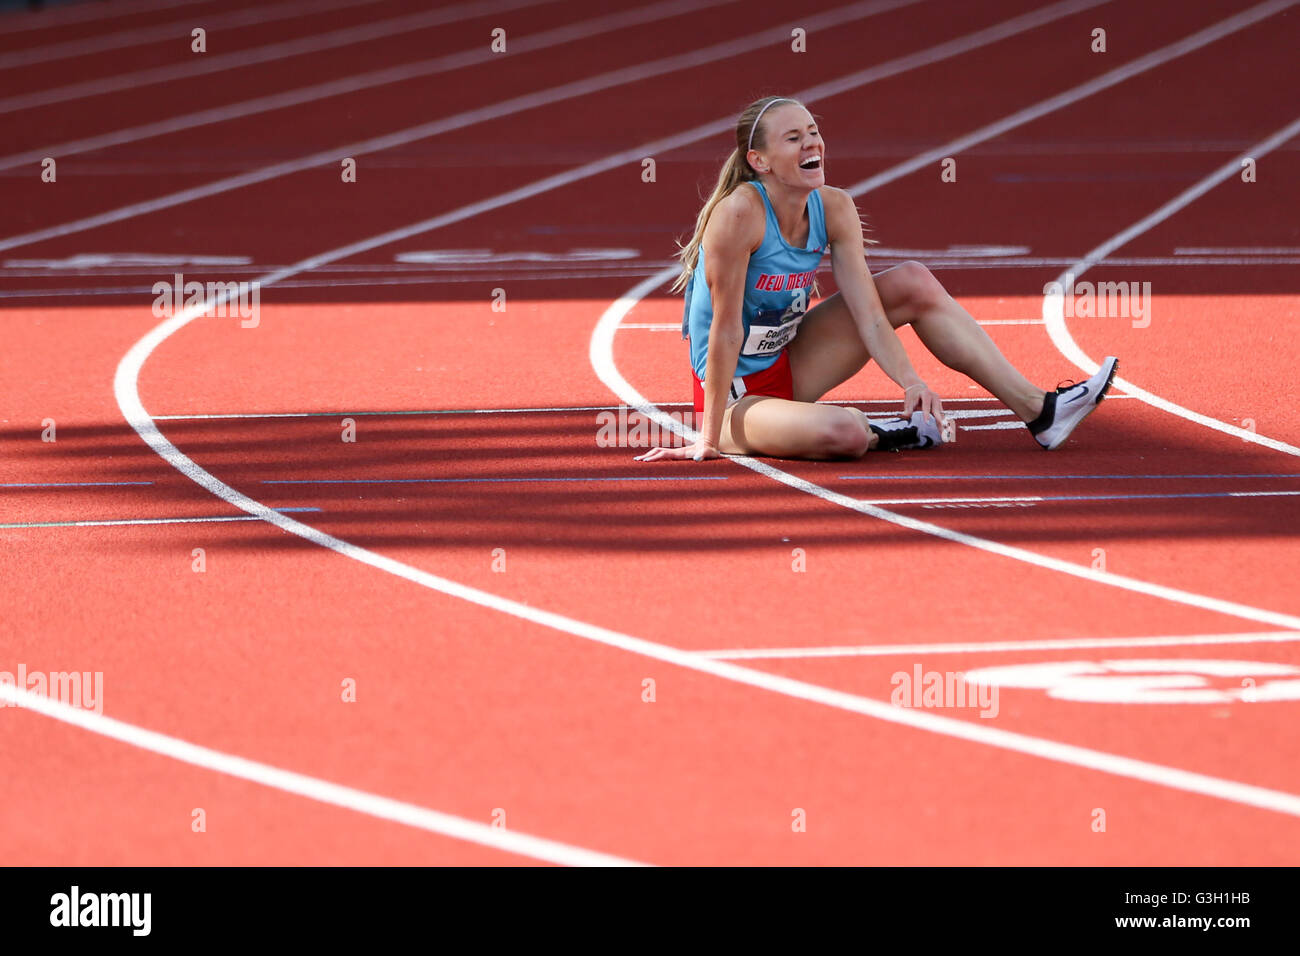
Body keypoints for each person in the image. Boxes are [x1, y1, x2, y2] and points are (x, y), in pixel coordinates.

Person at [634, 95, 1117, 463]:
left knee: (912, 281)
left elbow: (869, 313)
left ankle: (1040, 411)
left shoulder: (835, 208)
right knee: (844, 433)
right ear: (760, 162)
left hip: (791, 362)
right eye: (794, 138)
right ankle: (898, 432)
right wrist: (707, 436)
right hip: (734, 392)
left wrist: (910, 382)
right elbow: (724, 330)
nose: (812, 144)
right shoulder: (740, 214)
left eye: (814, 132)